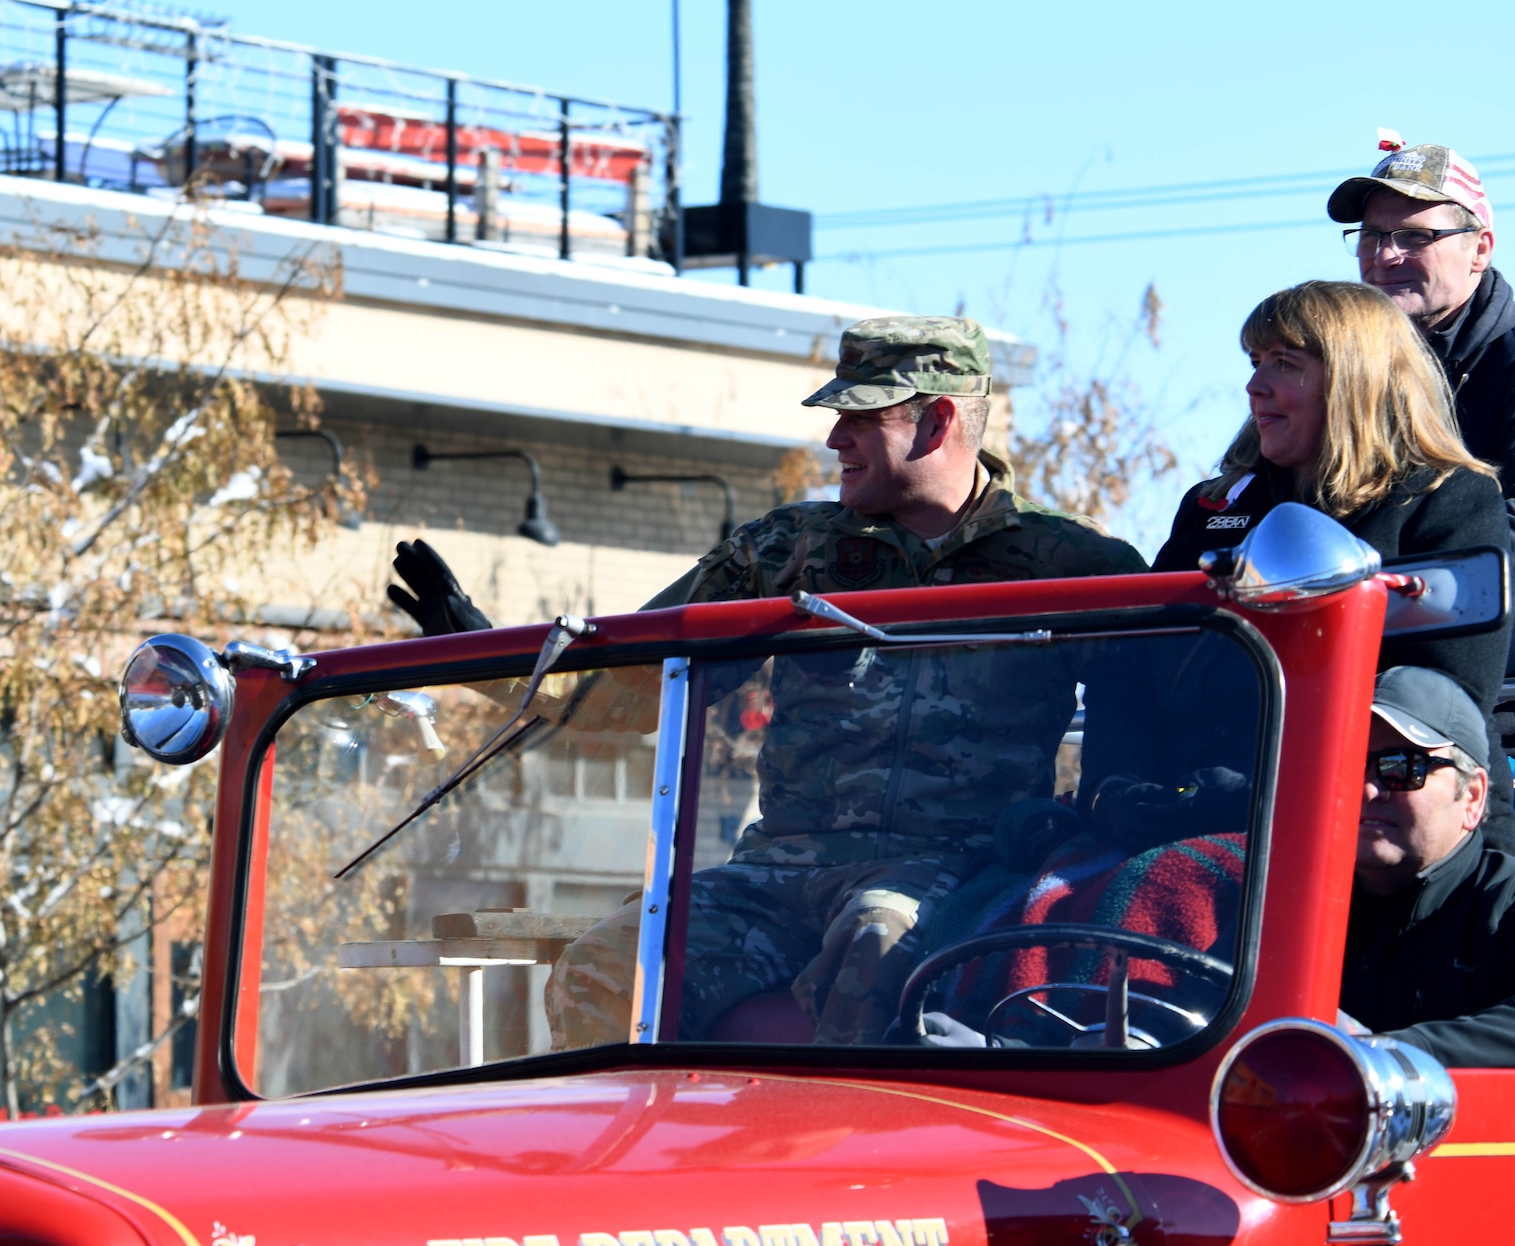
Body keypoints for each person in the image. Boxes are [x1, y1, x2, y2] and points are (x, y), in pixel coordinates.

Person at [389, 316, 1149, 1049]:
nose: (833, 439)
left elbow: (1171, 711)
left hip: (954, 872)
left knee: (880, 949)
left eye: (860, 416)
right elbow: (635, 682)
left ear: (938, 421)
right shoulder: (792, 551)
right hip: (781, 867)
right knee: (604, 968)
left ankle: (842, 1175)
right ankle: (641, 1172)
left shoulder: (1069, 566)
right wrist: (484, 650)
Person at [1150, 279, 1515, 847]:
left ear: (1355, 376)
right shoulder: (1212, 506)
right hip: (1199, 820)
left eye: (1283, 363)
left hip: (1382, 840)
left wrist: (1252, 788)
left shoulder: (1451, 499)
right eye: (1254, 362)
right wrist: (1112, 800)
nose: (1255, 386)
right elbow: (1138, 666)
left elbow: (1439, 704)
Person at [1328, 136, 1515, 759]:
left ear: (1480, 249)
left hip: (1499, 703)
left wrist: (1378, 572)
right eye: (1369, 235)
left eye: (1416, 236)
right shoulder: (1346, 367)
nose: (1385, 254)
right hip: (1361, 691)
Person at [1342, 667, 1515, 1067]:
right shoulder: (1300, 906)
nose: (1367, 788)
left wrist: (1388, 1053)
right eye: (1350, 764)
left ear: (1473, 796)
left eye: (1402, 767)